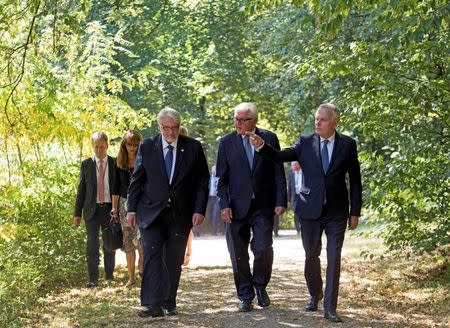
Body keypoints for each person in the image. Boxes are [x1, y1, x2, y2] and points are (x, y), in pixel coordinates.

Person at [247, 102, 362, 323]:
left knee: (334, 257)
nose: (317, 122)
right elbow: (281, 156)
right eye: (316, 118)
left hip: (337, 211)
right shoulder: (306, 142)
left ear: (335, 122)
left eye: (323, 119)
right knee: (312, 256)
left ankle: (330, 308)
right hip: (309, 209)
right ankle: (314, 293)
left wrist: (355, 211)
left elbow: (355, 181)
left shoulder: (347, 144)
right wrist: (262, 146)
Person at [127, 107, 209, 318]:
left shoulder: (193, 148)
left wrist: (200, 209)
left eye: (175, 128)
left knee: (173, 259)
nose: (171, 133)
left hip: (180, 214)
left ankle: (168, 301)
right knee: (152, 255)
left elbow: (202, 182)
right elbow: (137, 179)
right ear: (160, 127)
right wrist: (131, 210)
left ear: (180, 127)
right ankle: (150, 304)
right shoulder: (147, 146)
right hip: (151, 212)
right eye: (167, 128)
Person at [216, 102, 287, 312]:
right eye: (235, 119)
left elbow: (277, 172)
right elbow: (222, 179)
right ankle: (245, 295)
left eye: (243, 119)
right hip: (236, 206)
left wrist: (281, 200)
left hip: (262, 205)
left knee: (263, 247)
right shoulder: (226, 142)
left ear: (254, 120)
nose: (237, 123)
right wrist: (224, 204)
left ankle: (260, 285)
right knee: (238, 252)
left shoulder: (269, 138)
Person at [74, 132, 116, 288]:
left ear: (107, 145)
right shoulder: (86, 164)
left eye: (102, 147)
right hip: (91, 209)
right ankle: (92, 278)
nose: (99, 151)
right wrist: (77, 213)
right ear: (93, 146)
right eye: (96, 147)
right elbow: (81, 190)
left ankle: (109, 274)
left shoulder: (114, 163)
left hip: (108, 208)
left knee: (109, 241)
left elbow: (118, 187)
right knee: (92, 243)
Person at [111, 130, 144, 288]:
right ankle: (131, 278)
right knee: (128, 241)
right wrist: (114, 208)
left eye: (135, 144)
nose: (132, 148)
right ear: (124, 145)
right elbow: (115, 188)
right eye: (129, 144)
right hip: (124, 204)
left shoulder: (144, 158)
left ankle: (143, 270)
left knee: (142, 239)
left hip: (142, 203)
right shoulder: (119, 162)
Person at [206, 165, 222, 235]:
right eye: (213, 170)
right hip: (209, 198)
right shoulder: (208, 177)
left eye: (216, 170)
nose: (214, 172)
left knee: (215, 214)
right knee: (208, 214)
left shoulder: (219, 177)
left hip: (217, 198)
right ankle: (209, 230)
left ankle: (214, 232)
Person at [288, 161, 303, 235]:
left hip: (303, 196)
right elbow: (289, 187)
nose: (292, 167)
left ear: (298, 165)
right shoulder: (291, 174)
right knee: (296, 213)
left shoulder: (304, 172)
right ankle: (298, 230)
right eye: (291, 165)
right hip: (295, 197)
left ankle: (304, 227)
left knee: (304, 212)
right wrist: (289, 200)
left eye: (294, 165)